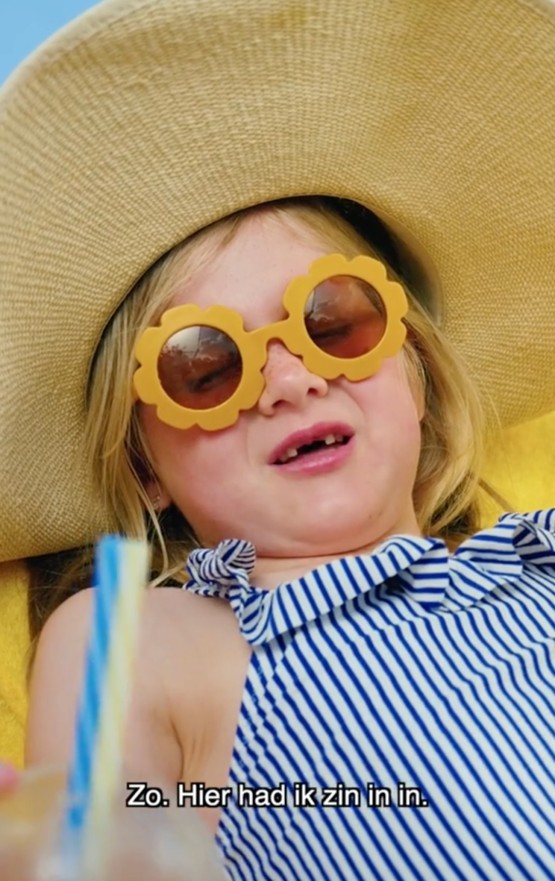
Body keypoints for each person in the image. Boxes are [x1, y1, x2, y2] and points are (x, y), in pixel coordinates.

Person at [1, 1, 554, 879]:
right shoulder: (160, 641)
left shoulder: (537, 563)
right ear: (143, 467)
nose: (291, 379)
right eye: (205, 366)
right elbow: (112, 832)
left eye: (333, 322)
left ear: (416, 374)